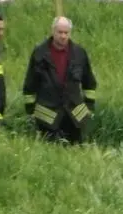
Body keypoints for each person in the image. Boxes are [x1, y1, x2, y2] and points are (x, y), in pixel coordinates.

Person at [22, 16, 97, 145]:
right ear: (53, 31)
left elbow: (89, 83)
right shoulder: (40, 53)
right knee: (50, 153)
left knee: (75, 152)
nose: (63, 36)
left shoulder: (79, 53)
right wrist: (30, 111)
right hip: (47, 115)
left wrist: (89, 107)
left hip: (74, 116)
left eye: (66, 33)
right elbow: (30, 84)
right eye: (60, 32)